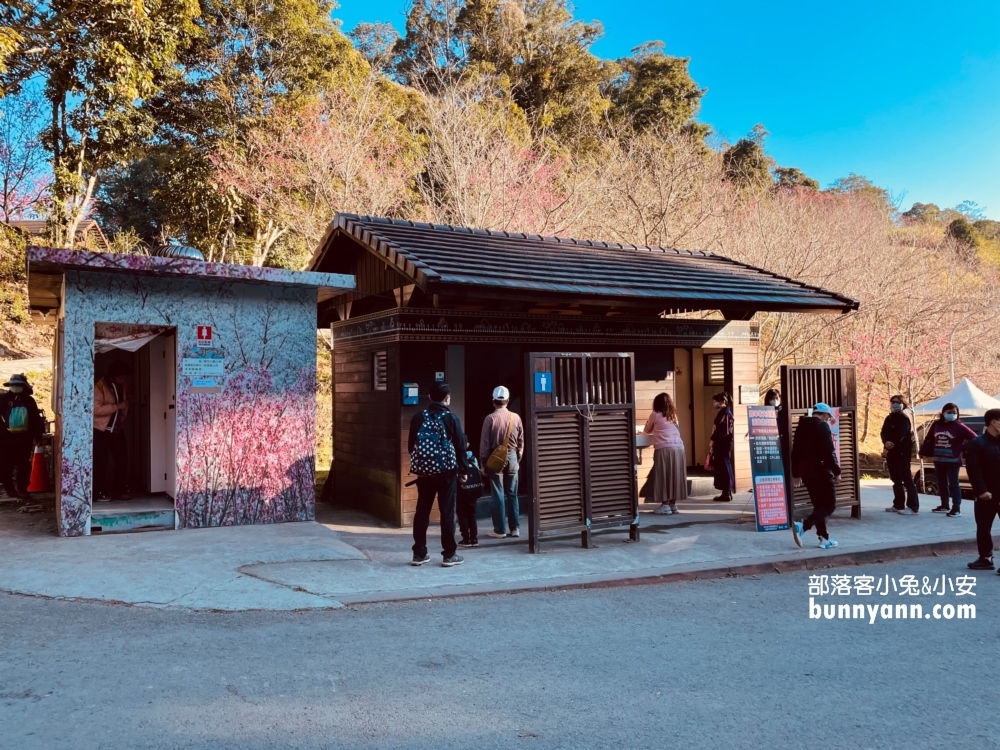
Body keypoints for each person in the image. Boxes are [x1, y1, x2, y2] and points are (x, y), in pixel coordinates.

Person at [408, 382, 470, 567]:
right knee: (447, 513)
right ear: (447, 398)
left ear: (429, 397)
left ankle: (419, 554)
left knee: (422, 512)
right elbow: (460, 446)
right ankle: (449, 555)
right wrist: (463, 471)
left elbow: (411, 447)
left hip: (424, 475)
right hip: (446, 474)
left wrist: (425, 463)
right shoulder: (451, 418)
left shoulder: (418, 417)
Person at [791, 402, 841, 550]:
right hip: (820, 470)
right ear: (824, 414)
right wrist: (837, 471)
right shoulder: (822, 426)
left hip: (806, 471)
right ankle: (803, 526)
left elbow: (796, 452)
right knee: (829, 506)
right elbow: (829, 451)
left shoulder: (801, 426)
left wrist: (796, 473)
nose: (827, 419)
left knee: (819, 506)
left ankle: (824, 539)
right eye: (827, 416)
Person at [480, 385, 525, 538]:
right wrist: (517, 458)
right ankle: (515, 529)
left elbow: (485, 444)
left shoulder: (489, 419)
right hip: (512, 456)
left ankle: (500, 530)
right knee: (512, 494)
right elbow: (521, 442)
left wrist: (483, 464)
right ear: (507, 400)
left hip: (495, 458)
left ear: (493, 401)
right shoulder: (516, 417)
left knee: (497, 493)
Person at [918, 402, 977, 517]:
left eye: (954, 413)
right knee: (941, 483)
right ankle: (944, 504)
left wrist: (961, 448)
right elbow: (929, 438)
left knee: (954, 484)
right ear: (943, 413)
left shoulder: (959, 426)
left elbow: (974, 437)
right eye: (949, 412)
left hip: (953, 460)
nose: (952, 415)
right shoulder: (936, 425)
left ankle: (956, 508)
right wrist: (923, 451)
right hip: (938, 459)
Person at [964, 408, 1000, 571]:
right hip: (986, 494)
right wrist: (981, 491)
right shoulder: (978, 443)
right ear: (994, 422)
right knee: (984, 527)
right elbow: (973, 470)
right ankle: (985, 558)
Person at [0, 374, 44, 499]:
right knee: (17, 465)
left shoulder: (3, 399)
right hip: (18, 439)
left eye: (17, 385)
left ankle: (16, 489)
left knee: (16, 465)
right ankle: (18, 489)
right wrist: (38, 437)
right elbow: (37, 420)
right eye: (14, 385)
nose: (15, 387)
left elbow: (35, 420)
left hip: (11, 439)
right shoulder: (28, 400)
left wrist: (38, 437)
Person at [643, 392, 687, 515]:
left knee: (663, 475)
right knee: (675, 476)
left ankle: (665, 505)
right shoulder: (673, 415)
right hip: (679, 448)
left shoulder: (655, 415)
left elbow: (647, 430)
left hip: (664, 448)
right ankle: (673, 505)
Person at [93, 362, 132, 502]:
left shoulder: (121, 386)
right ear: (114, 376)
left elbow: (125, 402)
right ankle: (99, 490)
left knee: (122, 459)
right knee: (101, 461)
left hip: (116, 428)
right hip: (100, 429)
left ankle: (120, 489)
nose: (124, 380)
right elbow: (96, 410)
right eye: (122, 377)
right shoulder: (99, 387)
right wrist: (117, 406)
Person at [881, 394, 919, 514]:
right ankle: (898, 504)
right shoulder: (889, 418)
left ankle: (913, 506)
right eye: (893, 402)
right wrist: (885, 442)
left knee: (907, 479)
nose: (895, 404)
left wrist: (892, 443)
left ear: (903, 404)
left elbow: (902, 434)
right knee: (895, 479)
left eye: (898, 402)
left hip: (902, 452)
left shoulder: (904, 418)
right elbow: (883, 432)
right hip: (891, 453)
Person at [710, 392, 735, 502]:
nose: (714, 404)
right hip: (725, 444)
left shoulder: (725, 413)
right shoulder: (726, 412)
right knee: (725, 466)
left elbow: (721, 431)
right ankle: (727, 492)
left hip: (722, 444)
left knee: (723, 467)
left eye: (716, 401)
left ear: (723, 402)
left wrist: (712, 440)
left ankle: (726, 492)